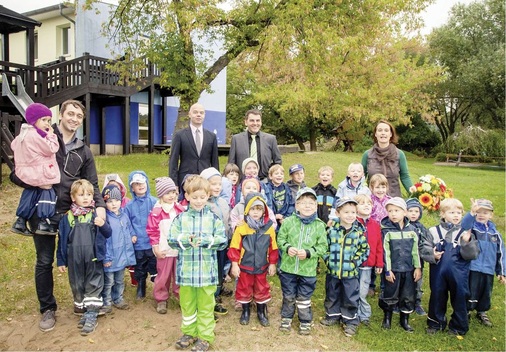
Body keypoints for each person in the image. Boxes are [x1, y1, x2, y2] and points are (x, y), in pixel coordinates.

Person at [10, 99, 106, 332]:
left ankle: (83, 301)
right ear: (60, 115)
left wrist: (100, 206)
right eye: (70, 113)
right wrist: (37, 183)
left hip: (69, 215)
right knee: (44, 261)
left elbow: (92, 183)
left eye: (78, 116)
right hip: (41, 212)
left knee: (81, 259)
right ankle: (47, 309)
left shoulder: (83, 151)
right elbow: (16, 173)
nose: (74, 118)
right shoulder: (39, 138)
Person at [168, 175, 228, 352]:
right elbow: (172, 239)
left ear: (208, 195)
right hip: (186, 274)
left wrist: (207, 240)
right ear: (187, 196)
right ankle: (189, 332)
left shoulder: (214, 218)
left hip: (206, 274)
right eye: (194, 197)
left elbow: (222, 240)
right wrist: (186, 240)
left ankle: (204, 336)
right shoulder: (180, 219)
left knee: (205, 306)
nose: (199, 201)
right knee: (187, 305)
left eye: (202, 197)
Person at [56, 179, 112, 336]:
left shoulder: (95, 216)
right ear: (73, 198)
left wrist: (103, 224)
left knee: (93, 283)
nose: (86, 198)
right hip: (74, 259)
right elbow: (62, 240)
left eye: (89, 194)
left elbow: (108, 234)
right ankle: (83, 310)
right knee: (77, 283)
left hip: (93, 258)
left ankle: (92, 313)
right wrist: (60, 260)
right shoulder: (67, 218)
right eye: (81, 195)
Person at [420, 198, 479, 336]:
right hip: (438, 272)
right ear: (442, 214)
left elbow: (473, 254)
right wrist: (432, 254)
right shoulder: (433, 231)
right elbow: (424, 247)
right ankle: (435, 323)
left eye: (459, 212)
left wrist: (467, 242)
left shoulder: (465, 233)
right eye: (452, 212)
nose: (456, 215)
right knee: (437, 295)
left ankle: (458, 326)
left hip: (459, 273)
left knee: (460, 297)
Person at [276, 187, 328, 335]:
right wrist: (287, 248)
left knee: (304, 297)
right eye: (303, 203)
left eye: (311, 203)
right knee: (289, 295)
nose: (307, 206)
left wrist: (308, 253)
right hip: (288, 268)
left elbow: (323, 247)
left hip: (308, 271)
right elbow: (280, 239)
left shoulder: (319, 225)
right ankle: (286, 318)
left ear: (316, 206)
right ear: (297, 205)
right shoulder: (288, 222)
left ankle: (305, 320)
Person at [321, 197, 369, 337]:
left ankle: (350, 320)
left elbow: (365, 250)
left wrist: (355, 261)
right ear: (338, 213)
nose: (350, 215)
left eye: (353, 212)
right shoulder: (331, 231)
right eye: (346, 212)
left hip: (351, 273)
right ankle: (332, 315)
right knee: (332, 294)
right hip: (333, 271)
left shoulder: (358, 233)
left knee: (350, 296)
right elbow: (324, 247)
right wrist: (328, 259)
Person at [228, 192, 278, 327]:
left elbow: (273, 248)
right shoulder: (241, 228)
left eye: (259, 209)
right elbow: (234, 248)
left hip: (262, 266)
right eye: (252, 209)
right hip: (245, 266)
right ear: (247, 210)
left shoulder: (269, 228)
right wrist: (234, 264)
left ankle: (261, 312)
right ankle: (245, 311)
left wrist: (272, 263)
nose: (256, 212)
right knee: (244, 287)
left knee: (262, 288)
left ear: (264, 211)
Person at [10, 103, 60, 236]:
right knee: (48, 190)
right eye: (43, 120)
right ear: (33, 120)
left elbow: (13, 145)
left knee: (31, 190)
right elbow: (51, 149)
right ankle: (44, 222)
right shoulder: (36, 136)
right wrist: (51, 136)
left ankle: (20, 220)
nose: (47, 124)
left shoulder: (23, 134)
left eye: (49, 120)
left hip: (25, 172)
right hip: (40, 172)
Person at [379, 197, 421, 332]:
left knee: (407, 295)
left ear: (405, 212)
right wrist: (388, 270)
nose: (393, 214)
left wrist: (418, 267)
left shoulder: (412, 230)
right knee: (390, 293)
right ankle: (387, 318)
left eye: (396, 210)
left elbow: (416, 251)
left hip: (409, 269)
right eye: (390, 211)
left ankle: (405, 320)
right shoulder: (386, 230)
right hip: (393, 270)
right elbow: (386, 252)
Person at [463, 198, 506, 328]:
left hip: (488, 269)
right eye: (479, 212)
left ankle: (482, 311)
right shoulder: (472, 229)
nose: (481, 215)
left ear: (491, 215)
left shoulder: (495, 234)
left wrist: (501, 272)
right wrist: (471, 213)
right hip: (473, 267)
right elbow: (464, 226)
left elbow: (501, 253)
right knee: (471, 289)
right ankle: (467, 310)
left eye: (485, 212)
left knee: (486, 291)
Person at [146, 177, 185, 314]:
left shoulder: (180, 209)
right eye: (168, 193)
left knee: (179, 274)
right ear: (161, 194)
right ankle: (161, 298)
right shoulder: (157, 212)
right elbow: (152, 231)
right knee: (163, 276)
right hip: (164, 250)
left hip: (179, 250)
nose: (172, 196)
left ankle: (181, 296)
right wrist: (156, 247)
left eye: (174, 192)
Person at [200, 167, 233, 316]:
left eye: (219, 184)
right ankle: (209, 301)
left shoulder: (223, 202)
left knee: (220, 270)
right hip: (210, 247)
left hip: (223, 243)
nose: (217, 187)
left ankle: (217, 293)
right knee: (210, 273)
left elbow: (228, 221)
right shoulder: (203, 204)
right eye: (213, 184)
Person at [101, 185, 137, 314]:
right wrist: (107, 257)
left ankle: (118, 298)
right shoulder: (106, 219)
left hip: (122, 256)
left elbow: (129, 227)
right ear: (105, 203)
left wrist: (132, 235)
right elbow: (104, 241)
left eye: (116, 200)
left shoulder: (123, 215)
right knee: (109, 281)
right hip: (111, 258)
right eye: (110, 201)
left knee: (119, 280)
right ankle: (106, 301)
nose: (114, 204)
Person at [169, 103, 219, 190]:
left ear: (204, 115)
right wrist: (174, 183)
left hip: (205, 179)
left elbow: (215, 161)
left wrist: (216, 181)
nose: (198, 115)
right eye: (195, 112)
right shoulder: (180, 135)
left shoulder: (211, 136)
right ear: (189, 114)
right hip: (186, 180)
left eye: (201, 112)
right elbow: (173, 161)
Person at [124, 171, 158, 300]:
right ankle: (141, 286)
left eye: (142, 183)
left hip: (152, 242)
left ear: (147, 183)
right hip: (138, 243)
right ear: (132, 187)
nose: (140, 186)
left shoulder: (154, 202)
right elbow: (127, 222)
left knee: (154, 265)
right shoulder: (129, 206)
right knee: (140, 266)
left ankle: (159, 288)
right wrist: (132, 234)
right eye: (136, 184)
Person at [361, 120, 415, 197]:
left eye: (386, 130)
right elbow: (361, 177)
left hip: (394, 200)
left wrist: (414, 193)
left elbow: (405, 176)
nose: (383, 133)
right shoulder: (367, 154)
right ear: (376, 134)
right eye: (380, 130)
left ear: (391, 134)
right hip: (372, 200)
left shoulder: (399, 154)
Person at [228, 109, 282, 180]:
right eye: (252, 120)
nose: (255, 123)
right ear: (246, 122)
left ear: (261, 122)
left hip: (264, 181)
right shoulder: (236, 139)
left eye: (258, 120)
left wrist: (271, 177)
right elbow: (231, 164)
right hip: (243, 182)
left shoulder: (270, 139)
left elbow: (277, 162)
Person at [354, 194, 383, 326]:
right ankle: (352, 313)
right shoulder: (353, 223)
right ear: (355, 207)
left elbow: (378, 246)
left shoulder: (375, 225)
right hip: (353, 264)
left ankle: (364, 315)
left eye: (369, 203)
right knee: (353, 290)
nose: (366, 205)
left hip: (367, 266)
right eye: (362, 203)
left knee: (362, 291)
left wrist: (379, 262)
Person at [405, 198, 428, 316]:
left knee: (417, 283)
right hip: (404, 261)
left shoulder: (421, 228)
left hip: (418, 261)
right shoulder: (403, 226)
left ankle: (417, 303)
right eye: (410, 211)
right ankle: (403, 303)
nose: (413, 214)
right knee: (405, 283)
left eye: (416, 211)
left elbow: (426, 242)